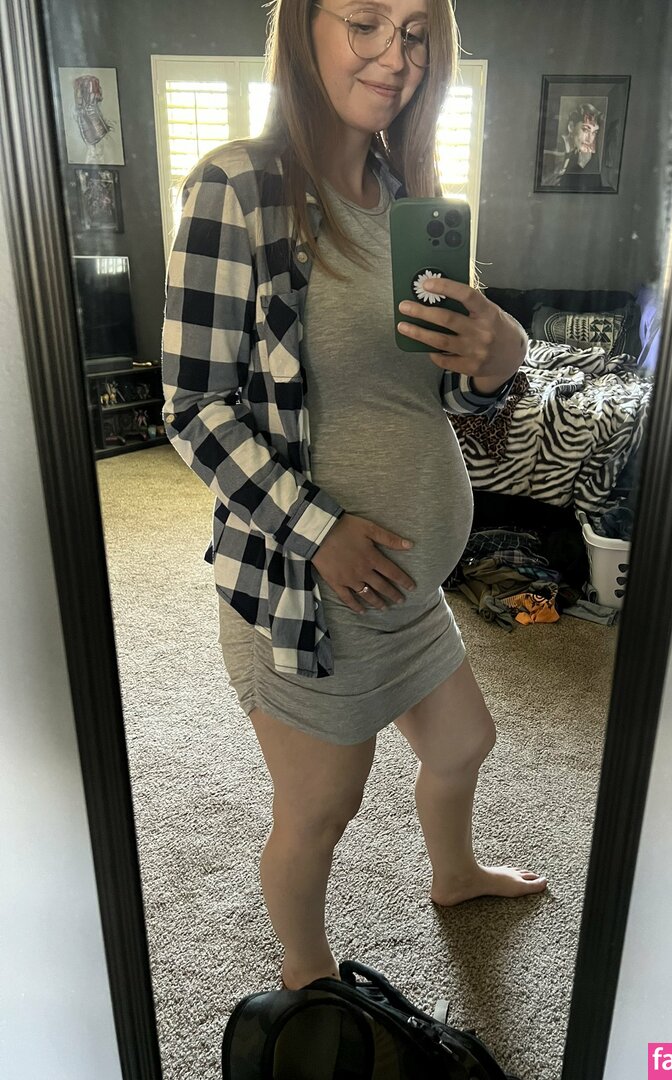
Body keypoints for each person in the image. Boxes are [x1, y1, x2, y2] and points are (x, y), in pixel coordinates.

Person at [161, 0, 547, 993]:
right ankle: (306, 969)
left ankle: (454, 875)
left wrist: (500, 359)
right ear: (305, 27)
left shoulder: (411, 200)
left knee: (465, 743)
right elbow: (193, 409)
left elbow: (436, 393)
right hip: (307, 595)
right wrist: (320, 531)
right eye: (366, 22)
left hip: (411, 593)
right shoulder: (237, 189)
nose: (394, 55)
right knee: (322, 809)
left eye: (416, 32)